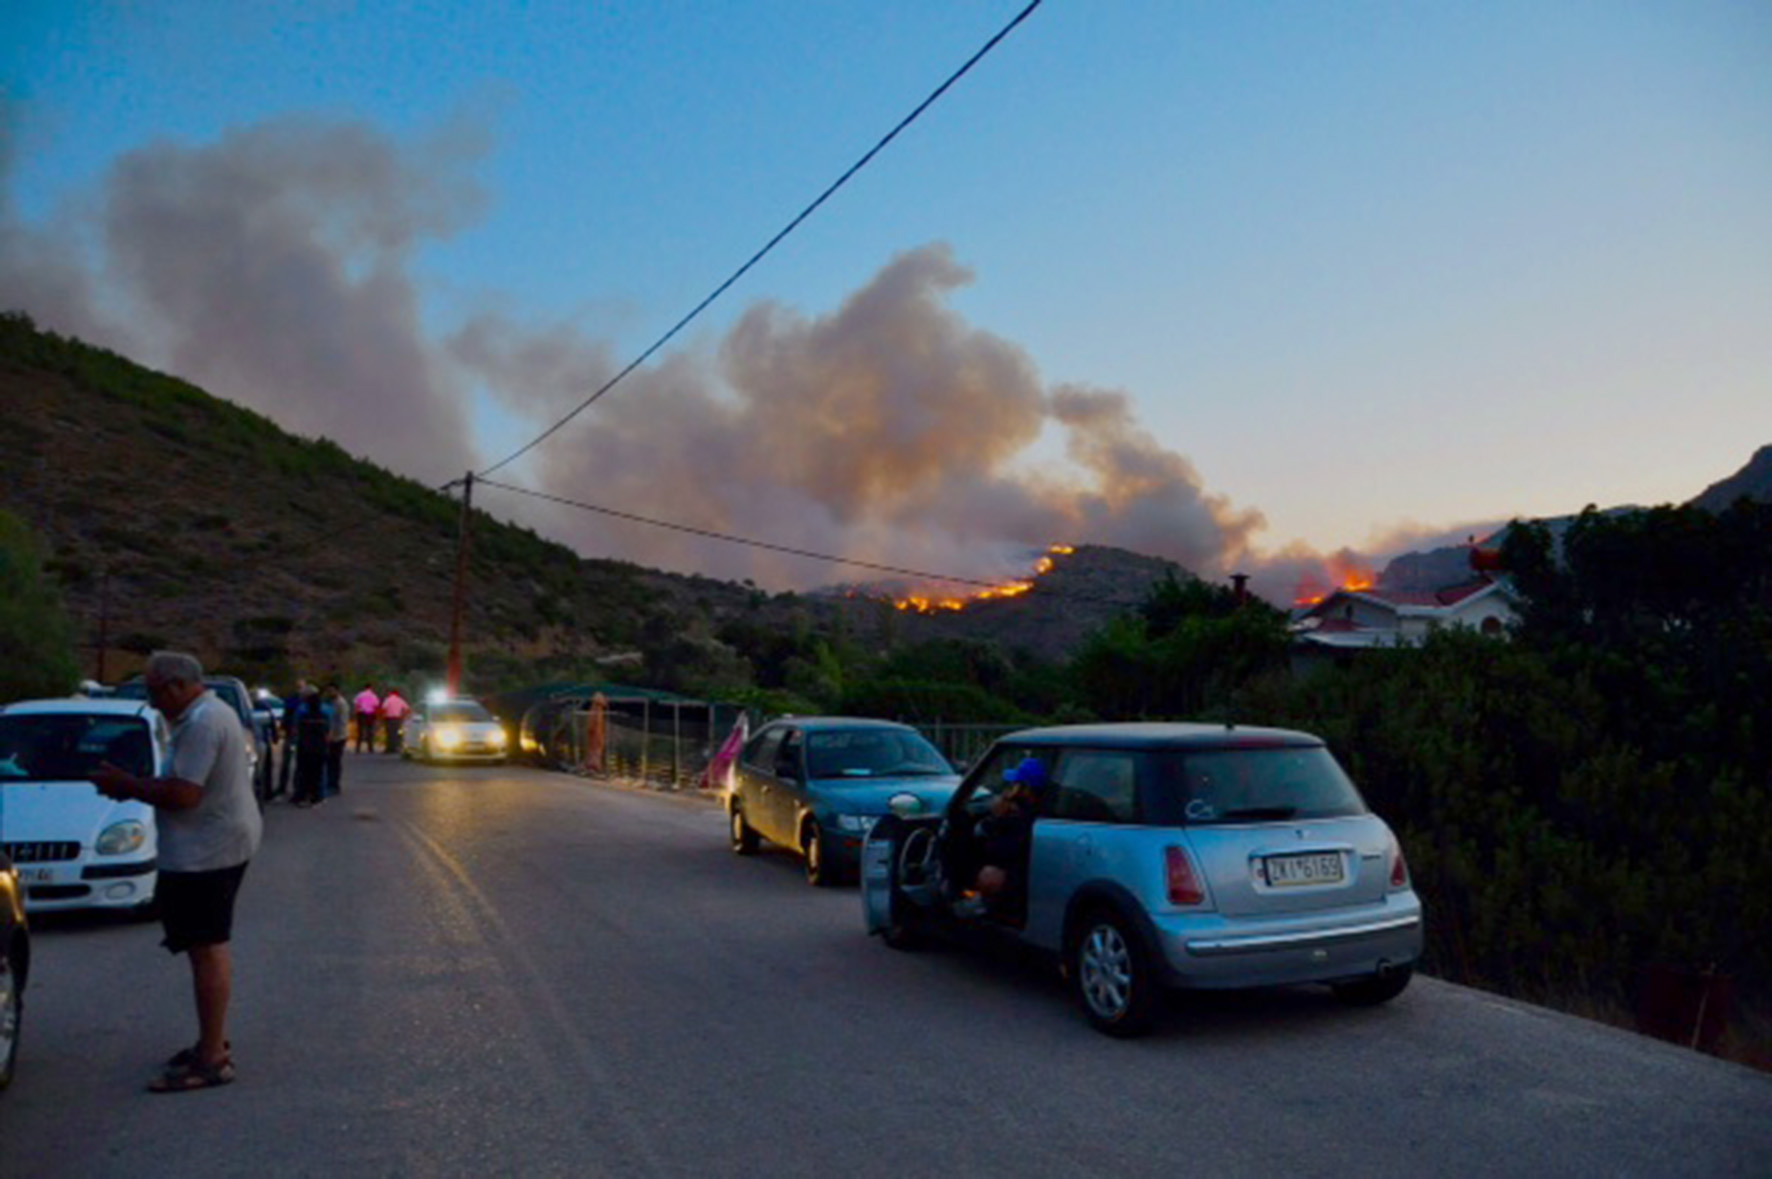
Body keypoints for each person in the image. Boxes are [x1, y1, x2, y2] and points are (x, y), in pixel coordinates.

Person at [89, 650, 262, 1093]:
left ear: (177, 686)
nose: (152, 702)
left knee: (206, 948)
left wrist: (126, 786)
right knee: (206, 945)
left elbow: (185, 795)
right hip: (218, 842)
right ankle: (210, 1040)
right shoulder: (208, 715)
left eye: (154, 691)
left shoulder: (202, 723)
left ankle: (212, 1058)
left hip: (208, 851)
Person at [956, 756, 1046, 919]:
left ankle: (985, 905)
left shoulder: (1022, 818)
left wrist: (996, 819)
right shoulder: (1033, 812)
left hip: (1018, 878)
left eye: (1014, 785)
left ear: (1024, 789)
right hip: (1026, 873)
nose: (1010, 789)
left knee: (987, 871)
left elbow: (998, 850)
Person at [291, 685, 330, 807]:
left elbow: (296, 729)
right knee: (318, 773)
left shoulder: (302, 713)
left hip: (304, 747)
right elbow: (328, 730)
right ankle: (317, 796)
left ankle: (302, 795)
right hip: (320, 748)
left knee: (303, 772)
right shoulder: (325, 713)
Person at [275, 679, 308, 800]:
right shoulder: (292, 700)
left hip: (302, 736)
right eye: (298, 687)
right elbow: (286, 715)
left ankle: (297, 788)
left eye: (301, 687)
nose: (300, 690)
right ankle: (282, 787)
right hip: (291, 734)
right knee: (287, 762)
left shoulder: (307, 702)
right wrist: (283, 729)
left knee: (299, 764)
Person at [322, 684, 349, 798]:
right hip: (333, 735)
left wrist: (332, 735)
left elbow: (341, 722)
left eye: (332, 691)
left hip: (338, 737)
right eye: (329, 691)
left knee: (335, 761)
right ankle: (330, 783)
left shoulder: (340, 703)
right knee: (330, 761)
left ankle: (334, 785)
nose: (330, 693)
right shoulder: (332, 702)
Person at [380, 687, 410, 755]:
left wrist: (382, 716)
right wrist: (403, 715)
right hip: (398, 718)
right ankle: (396, 747)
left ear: (391, 693)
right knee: (397, 733)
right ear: (397, 694)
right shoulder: (400, 700)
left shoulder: (388, 700)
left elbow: (384, 708)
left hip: (389, 718)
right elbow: (407, 709)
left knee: (389, 733)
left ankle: (390, 748)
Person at [352, 684, 380, 753]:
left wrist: (356, 713)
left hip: (361, 714)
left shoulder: (360, 695)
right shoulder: (373, 695)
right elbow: (376, 705)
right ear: (371, 688)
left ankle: (358, 748)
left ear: (365, 688)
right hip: (370, 714)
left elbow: (356, 704)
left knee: (360, 731)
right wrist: (376, 716)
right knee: (370, 731)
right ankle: (370, 748)